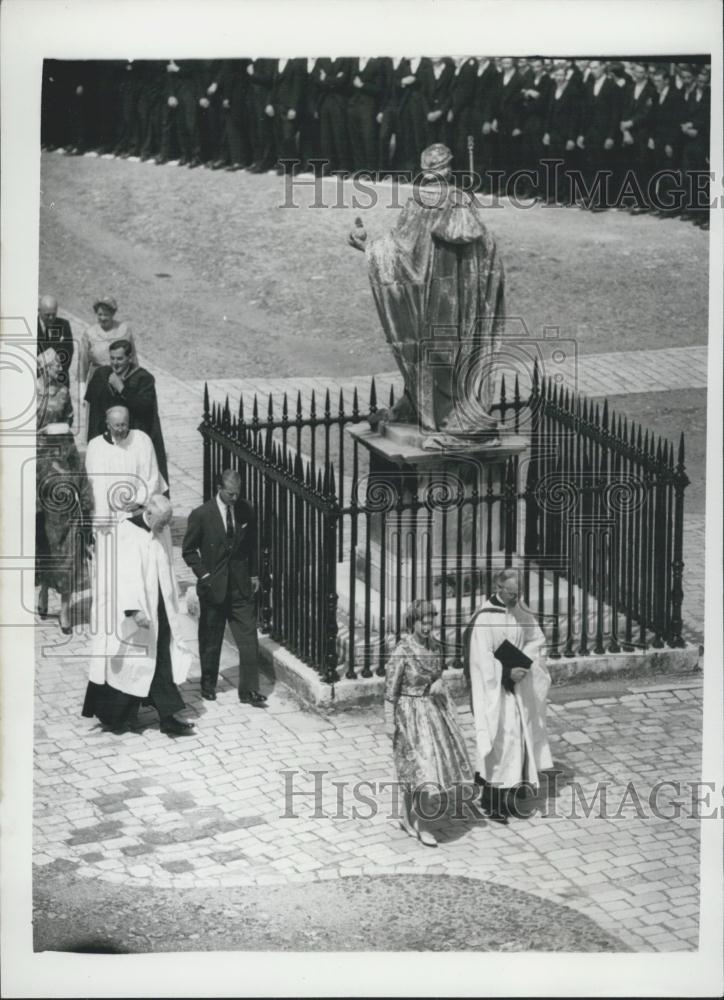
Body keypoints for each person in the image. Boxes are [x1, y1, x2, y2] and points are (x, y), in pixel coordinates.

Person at [348, 142, 504, 444]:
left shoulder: (420, 203)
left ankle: (444, 413)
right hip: (462, 298)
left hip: (435, 298)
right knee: (452, 348)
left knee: (430, 347)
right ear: (450, 169)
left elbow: (398, 253)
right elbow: (486, 247)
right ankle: (446, 407)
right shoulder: (462, 200)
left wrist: (367, 246)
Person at [82, 494, 196, 737]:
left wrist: (174, 600)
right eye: (163, 521)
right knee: (133, 663)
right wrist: (134, 610)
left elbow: (167, 566)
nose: (166, 527)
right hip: (136, 612)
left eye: (168, 522)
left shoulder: (160, 529)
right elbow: (123, 577)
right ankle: (117, 716)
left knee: (161, 657)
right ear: (151, 513)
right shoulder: (127, 533)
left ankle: (168, 717)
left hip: (161, 607)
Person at [464, 568, 554, 824]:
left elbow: (535, 639)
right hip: (496, 690)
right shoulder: (485, 618)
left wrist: (524, 663)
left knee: (517, 740)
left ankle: (511, 797)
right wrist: (505, 671)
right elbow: (480, 660)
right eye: (512, 594)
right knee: (499, 741)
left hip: (517, 689)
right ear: (499, 588)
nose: (516, 599)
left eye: (519, 594)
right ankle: (491, 802)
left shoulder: (520, 611)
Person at [385, 599, 473, 847]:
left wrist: (438, 682)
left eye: (430, 622)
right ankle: (410, 819)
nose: (427, 627)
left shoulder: (435, 647)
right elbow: (390, 690)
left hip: (432, 712)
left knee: (426, 769)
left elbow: (437, 673)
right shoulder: (402, 651)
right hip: (407, 713)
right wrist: (388, 722)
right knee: (413, 770)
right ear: (412, 623)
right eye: (422, 623)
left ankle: (419, 822)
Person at [182, 468, 265, 706]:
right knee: (210, 639)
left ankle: (249, 690)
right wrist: (204, 575)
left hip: (240, 587)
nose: (234, 498)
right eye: (230, 494)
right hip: (213, 587)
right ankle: (208, 684)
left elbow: (253, 544)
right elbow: (188, 550)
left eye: (237, 493)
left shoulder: (245, 510)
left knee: (249, 639)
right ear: (219, 489)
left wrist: (255, 574)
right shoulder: (201, 514)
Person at [85, 339, 168, 485]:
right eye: (112, 358)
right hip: (107, 442)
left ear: (129, 358)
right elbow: (93, 410)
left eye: (120, 359)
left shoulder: (144, 378)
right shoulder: (102, 374)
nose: (115, 363)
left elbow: (145, 409)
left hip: (131, 444)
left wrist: (121, 389)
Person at [36, 423, 93, 634]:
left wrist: (86, 513)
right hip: (47, 521)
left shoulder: (74, 461)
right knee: (48, 561)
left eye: (65, 439)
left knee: (70, 565)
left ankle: (65, 611)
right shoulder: (39, 462)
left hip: (71, 522)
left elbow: (84, 485)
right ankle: (43, 593)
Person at [85, 405, 167, 521]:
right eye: (116, 425)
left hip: (139, 508)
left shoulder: (141, 440)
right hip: (110, 513)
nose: (120, 429)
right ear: (108, 424)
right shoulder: (95, 446)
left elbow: (152, 477)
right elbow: (95, 484)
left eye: (123, 425)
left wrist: (139, 501)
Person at [77, 296, 137, 387]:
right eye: (100, 314)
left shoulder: (124, 330)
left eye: (106, 314)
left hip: (121, 381)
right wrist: (82, 391)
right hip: (97, 381)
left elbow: (133, 359)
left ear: (112, 314)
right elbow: (83, 364)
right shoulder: (89, 333)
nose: (102, 318)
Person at [37, 295, 74, 385]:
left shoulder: (64, 325)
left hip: (59, 379)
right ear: (39, 311)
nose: (51, 318)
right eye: (47, 315)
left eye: (54, 314)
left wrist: (56, 371)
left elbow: (69, 351)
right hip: (38, 380)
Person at [37, 348, 73, 430]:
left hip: (56, 440)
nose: (61, 369)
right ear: (47, 368)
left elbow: (68, 418)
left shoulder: (63, 391)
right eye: (57, 366)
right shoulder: (31, 390)